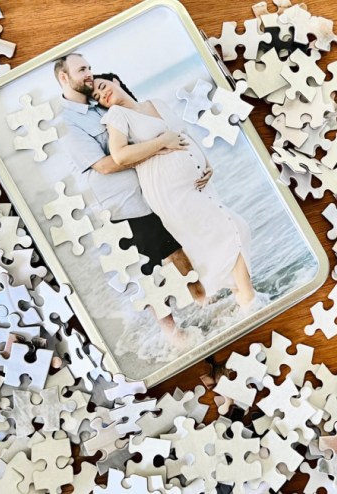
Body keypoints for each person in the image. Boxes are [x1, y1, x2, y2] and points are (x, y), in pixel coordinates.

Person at [53, 53, 207, 340]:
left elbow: (140, 127)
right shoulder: (68, 125)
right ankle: (172, 334)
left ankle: (203, 301)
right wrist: (160, 146)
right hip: (124, 206)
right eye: (82, 69)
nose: (89, 74)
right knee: (147, 271)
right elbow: (105, 165)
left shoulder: (101, 104)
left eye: (90, 67)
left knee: (178, 249)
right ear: (64, 77)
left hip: (153, 189)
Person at [94, 74, 258, 312]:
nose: (103, 96)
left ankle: (239, 297)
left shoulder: (156, 103)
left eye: (103, 87)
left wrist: (206, 162)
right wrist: (161, 143)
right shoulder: (117, 116)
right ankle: (249, 300)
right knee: (233, 227)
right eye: (98, 98)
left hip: (199, 182)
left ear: (116, 81)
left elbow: (183, 133)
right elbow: (120, 155)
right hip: (167, 189)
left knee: (217, 238)